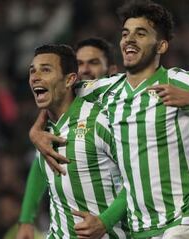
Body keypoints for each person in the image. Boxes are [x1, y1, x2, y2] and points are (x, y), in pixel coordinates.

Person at [30, 1, 189, 238]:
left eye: (141, 33)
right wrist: (35, 132)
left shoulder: (177, 80)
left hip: (182, 221)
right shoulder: (107, 88)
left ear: (161, 45)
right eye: (125, 34)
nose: (129, 39)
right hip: (140, 229)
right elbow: (59, 91)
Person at [16, 44, 128, 239]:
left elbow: (139, 181)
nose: (35, 77)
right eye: (32, 70)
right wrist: (26, 220)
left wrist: (105, 221)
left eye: (46, 69)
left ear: (69, 80)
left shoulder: (100, 121)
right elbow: (38, 169)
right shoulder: (45, 131)